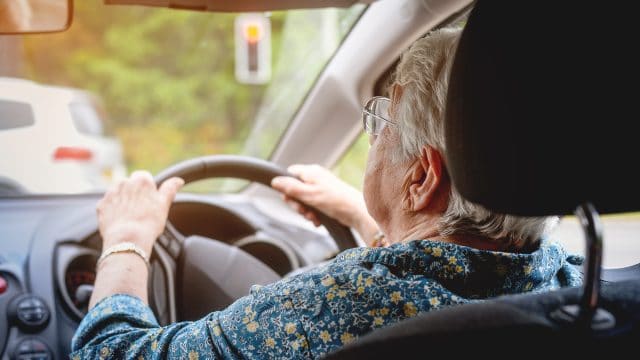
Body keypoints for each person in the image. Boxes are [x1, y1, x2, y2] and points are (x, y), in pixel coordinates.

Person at [71, 27, 582, 359]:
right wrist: (370, 218)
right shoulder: (587, 291)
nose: (374, 136)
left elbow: (111, 353)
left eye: (382, 120)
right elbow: (454, 268)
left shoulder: (334, 310)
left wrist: (127, 239)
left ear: (422, 179)